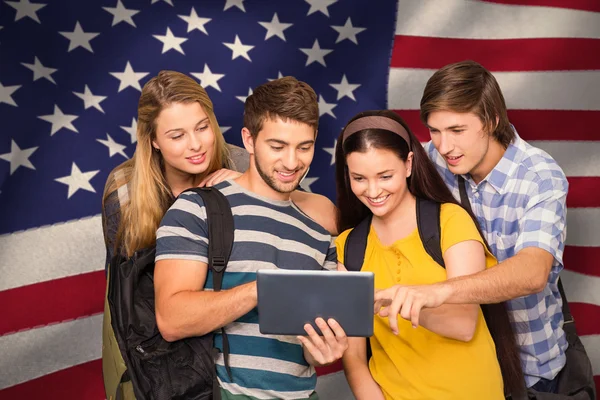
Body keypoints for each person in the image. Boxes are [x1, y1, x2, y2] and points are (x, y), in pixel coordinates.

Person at [375, 60, 570, 393]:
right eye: (434, 131)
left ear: (492, 121)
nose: (444, 146)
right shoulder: (431, 161)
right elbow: (373, 187)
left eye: (457, 130)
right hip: (456, 369)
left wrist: (438, 292)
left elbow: (533, 272)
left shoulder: (539, 177)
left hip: (530, 371)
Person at [153, 76, 348, 400]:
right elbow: (171, 318)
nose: (291, 162)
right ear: (248, 139)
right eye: (277, 146)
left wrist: (324, 348)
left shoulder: (319, 228)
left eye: (304, 146)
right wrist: (262, 289)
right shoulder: (197, 206)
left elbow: (310, 350)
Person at [334, 110, 523, 399]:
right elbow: (355, 359)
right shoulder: (348, 247)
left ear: (408, 164)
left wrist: (394, 302)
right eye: (359, 178)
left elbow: (463, 325)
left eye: (385, 176)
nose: (373, 190)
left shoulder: (450, 221)